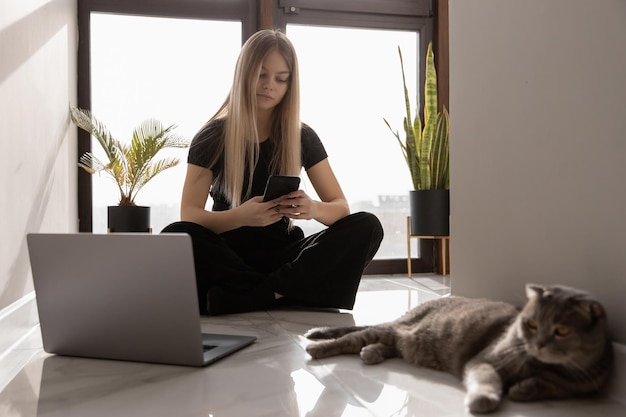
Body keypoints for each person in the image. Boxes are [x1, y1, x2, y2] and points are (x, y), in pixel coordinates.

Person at [162, 29, 383, 315]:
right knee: (176, 234)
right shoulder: (212, 136)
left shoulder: (303, 137)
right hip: (229, 257)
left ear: (291, 84)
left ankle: (253, 295)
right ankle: (287, 292)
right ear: (244, 74)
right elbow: (189, 215)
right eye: (262, 75)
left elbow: (341, 209)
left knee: (368, 226)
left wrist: (313, 208)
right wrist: (240, 216)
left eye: (281, 79)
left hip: (285, 257)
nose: (270, 86)